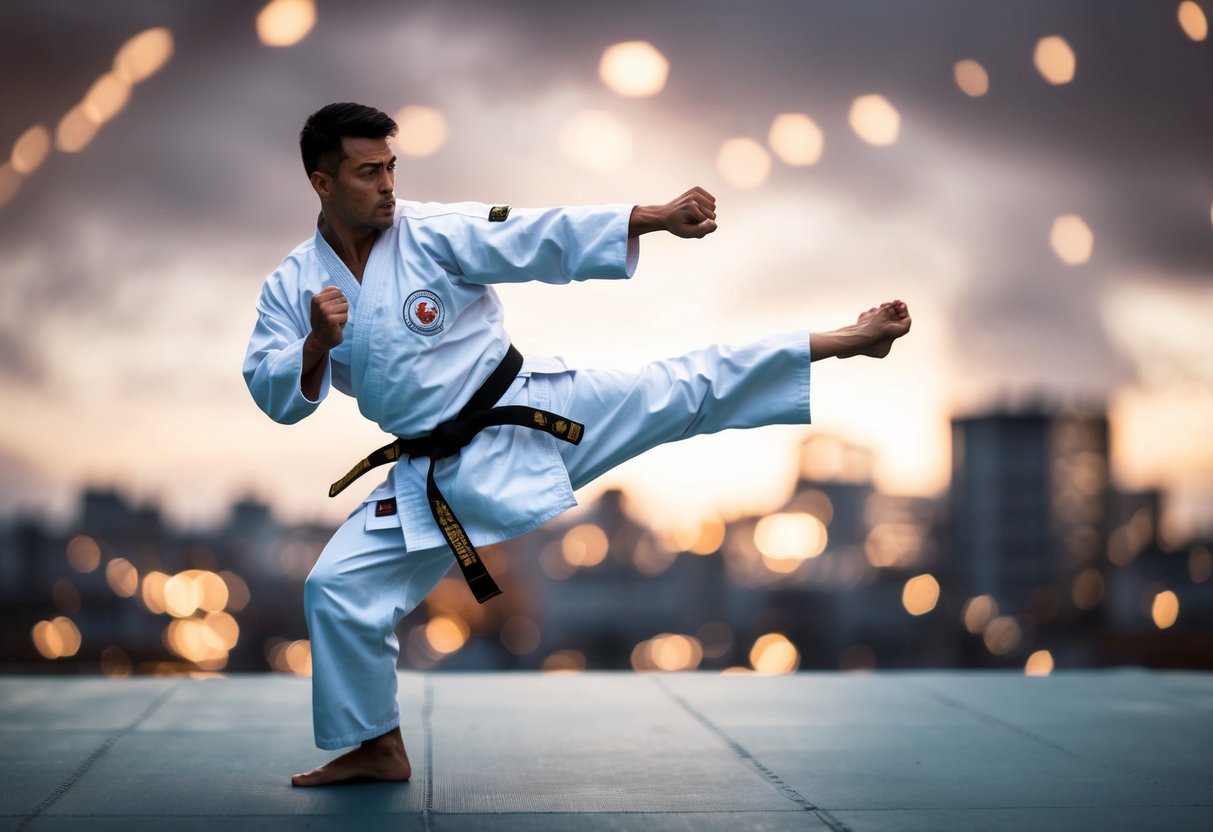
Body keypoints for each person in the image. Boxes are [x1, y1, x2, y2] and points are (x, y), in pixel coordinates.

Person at [242, 102, 911, 787]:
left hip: (530, 415)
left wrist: (650, 217)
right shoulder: (294, 286)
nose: (386, 184)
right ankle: (376, 746)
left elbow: (536, 234)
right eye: (366, 172)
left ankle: (845, 342)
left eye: (390, 167)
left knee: (679, 388)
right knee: (335, 585)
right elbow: (271, 391)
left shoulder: (433, 231)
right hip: (430, 469)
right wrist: (315, 345)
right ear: (323, 184)